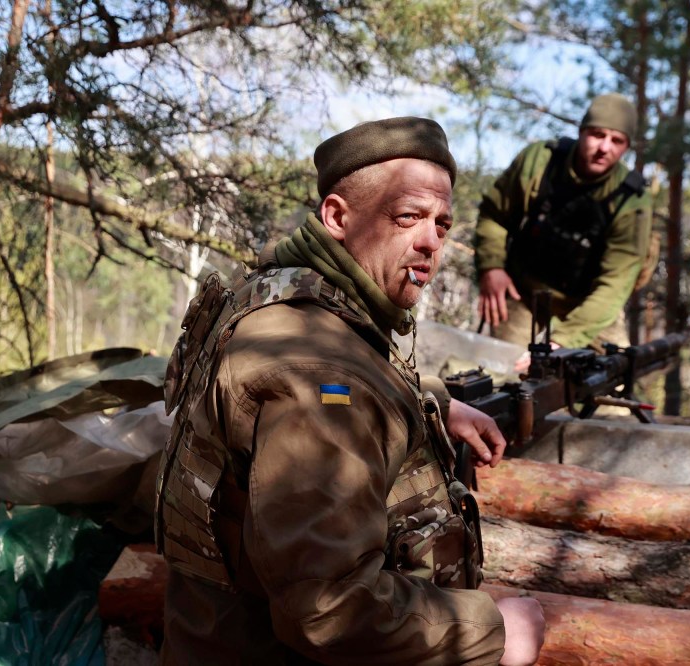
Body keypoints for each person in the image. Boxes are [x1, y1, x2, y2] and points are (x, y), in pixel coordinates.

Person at [156, 117, 546, 665]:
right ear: (338, 217)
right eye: (407, 216)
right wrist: (494, 632)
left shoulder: (282, 295)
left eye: (442, 224)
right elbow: (328, 609)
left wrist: (429, 399)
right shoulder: (317, 375)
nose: (429, 241)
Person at [474, 93, 653, 372]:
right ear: (581, 133)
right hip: (525, 293)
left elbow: (614, 286)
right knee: (503, 379)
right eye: (597, 135)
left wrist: (563, 342)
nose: (604, 147)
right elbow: (494, 215)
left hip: (590, 305)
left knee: (615, 386)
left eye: (617, 141)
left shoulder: (632, 199)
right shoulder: (539, 162)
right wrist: (491, 267)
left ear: (627, 147)